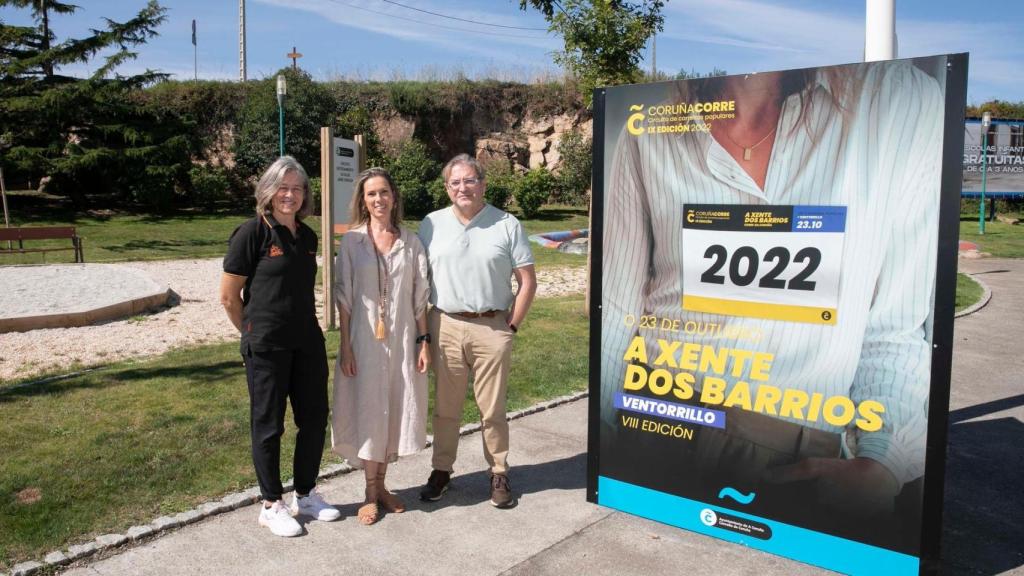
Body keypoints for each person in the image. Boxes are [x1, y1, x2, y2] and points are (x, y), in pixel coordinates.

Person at [600, 60, 943, 548]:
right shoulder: (651, 127)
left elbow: (895, 325)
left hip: (799, 456)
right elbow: (616, 305)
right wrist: (603, 435)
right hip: (656, 422)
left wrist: (882, 462)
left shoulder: (898, 100)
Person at [220, 156, 340, 537]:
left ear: (305, 194)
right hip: (267, 347)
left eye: (297, 188)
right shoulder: (251, 233)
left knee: (315, 419)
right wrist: (251, 333)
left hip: (307, 342)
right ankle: (271, 504)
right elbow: (229, 297)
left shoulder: (307, 237)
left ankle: (305, 494)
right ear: (268, 191)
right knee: (269, 426)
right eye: (283, 188)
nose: (290, 195)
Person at [417, 154, 537, 508]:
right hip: (445, 324)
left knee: (492, 409)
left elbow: (527, 281)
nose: (462, 188)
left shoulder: (506, 224)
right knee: (446, 408)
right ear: (446, 188)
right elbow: (419, 281)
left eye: (469, 180)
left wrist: (511, 325)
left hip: (492, 325)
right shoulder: (431, 223)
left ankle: (498, 470)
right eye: (455, 182)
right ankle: (442, 470)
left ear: (483, 184)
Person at [331, 167, 431, 525]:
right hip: (363, 340)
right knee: (369, 408)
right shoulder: (352, 242)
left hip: (402, 338)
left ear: (394, 196)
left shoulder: (410, 242)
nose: (378, 199)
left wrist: (423, 342)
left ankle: (383, 485)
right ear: (363, 200)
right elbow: (344, 298)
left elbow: (420, 296)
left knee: (394, 406)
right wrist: (346, 347)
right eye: (371, 194)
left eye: (384, 192)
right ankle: (370, 492)